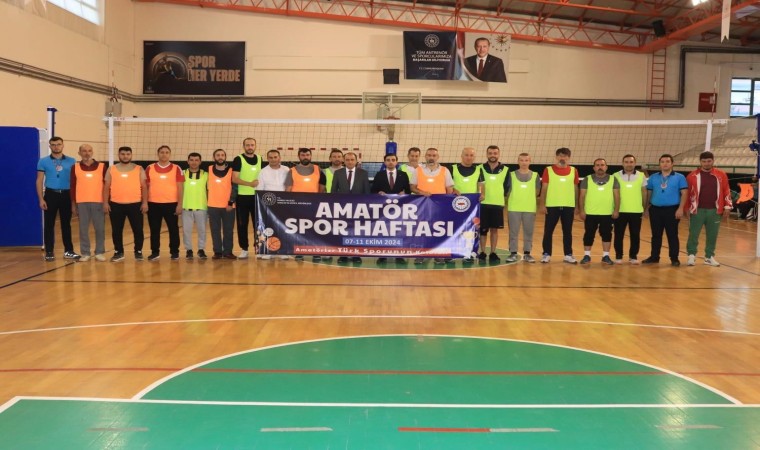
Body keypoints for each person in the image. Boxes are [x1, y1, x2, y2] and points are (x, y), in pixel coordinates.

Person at [685, 151, 732, 267]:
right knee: (693, 234)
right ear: (700, 162)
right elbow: (687, 194)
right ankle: (691, 255)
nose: (706, 163)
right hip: (697, 210)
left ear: (713, 161)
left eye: (709, 161)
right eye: (704, 161)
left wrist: (727, 206)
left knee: (712, 235)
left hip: (715, 211)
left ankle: (709, 257)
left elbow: (726, 190)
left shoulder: (721, 175)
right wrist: (686, 208)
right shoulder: (692, 176)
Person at [36, 136, 79, 261]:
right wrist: (41, 199)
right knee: (49, 224)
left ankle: (69, 251)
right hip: (51, 195)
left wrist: (74, 200)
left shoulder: (72, 161)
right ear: (50, 146)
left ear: (63, 145)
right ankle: (49, 251)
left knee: (66, 224)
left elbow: (75, 181)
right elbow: (39, 181)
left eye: (59, 144)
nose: (56, 147)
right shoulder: (43, 161)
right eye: (53, 145)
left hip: (66, 195)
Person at [103, 146, 148, 262]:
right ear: (119, 155)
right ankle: (118, 252)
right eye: (123, 154)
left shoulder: (139, 169)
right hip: (116, 204)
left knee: (138, 230)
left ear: (131, 155)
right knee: (116, 230)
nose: (125, 156)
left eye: (128, 154)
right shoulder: (111, 169)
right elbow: (106, 187)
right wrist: (105, 203)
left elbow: (144, 187)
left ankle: (138, 251)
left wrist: (145, 202)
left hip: (135, 204)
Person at [410, 147, 455, 264]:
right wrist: (421, 192)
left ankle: (438, 254)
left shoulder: (445, 170)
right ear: (425, 156)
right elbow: (412, 187)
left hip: (439, 207)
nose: (431, 157)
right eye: (429, 155)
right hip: (422, 206)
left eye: (434, 155)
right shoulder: (418, 170)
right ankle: (421, 254)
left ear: (437, 157)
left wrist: (446, 203)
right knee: (422, 230)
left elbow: (449, 189)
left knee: (438, 230)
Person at [643, 154, 688, 266]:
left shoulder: (680, 177)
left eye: (667, 161)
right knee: (656, 235)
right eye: (662, 162)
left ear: (672, 163)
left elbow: (684, 193)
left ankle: (674, 258)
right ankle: (654, 257)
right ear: (659, 164)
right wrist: (646, 208)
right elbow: (649, 193)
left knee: (672, 235)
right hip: (655, 210)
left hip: (672, 210)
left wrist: (680, 208)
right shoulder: (653, 177)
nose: (665, 164)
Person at [285, 148, 326, 261]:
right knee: (299, 229)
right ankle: (300, 251)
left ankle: (315, 251)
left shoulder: (318, 169)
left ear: (310, 156)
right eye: (303, 155)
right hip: (297, 205)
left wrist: (319, 200)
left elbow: (322, 187)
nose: (305, 157)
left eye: (307, 155)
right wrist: (287, 204)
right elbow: (288, 189)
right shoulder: (292, 170)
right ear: (299, 156)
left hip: (314, 205)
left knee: (315, 229)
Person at [539, 147, 579, 264]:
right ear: (556, 157)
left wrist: (577, 206)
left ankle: (568, 254)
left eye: (565, 156)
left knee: (567, 232)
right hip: (552, 206)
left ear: (569, 157)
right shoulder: (548, 170)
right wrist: (542, 204)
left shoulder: (574, 170)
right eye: (560, 155)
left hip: (568, 206)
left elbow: (576, 189)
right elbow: (544, 188)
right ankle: (546, 254)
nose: (562, 158)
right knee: (548, 231)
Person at [145, 145, 184, 261]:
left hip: (171, 204)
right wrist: (145, 203)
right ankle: (155, 252)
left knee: (173, 229)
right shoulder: (150, 168)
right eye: (162, 152)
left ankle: (175, 252)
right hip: (153, 204)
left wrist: (180, 204)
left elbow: (180, 188)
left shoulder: (176, 168)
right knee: (154, 229)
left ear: (170, 154)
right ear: (158, 154)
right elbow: (145, 187)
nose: (164, 154)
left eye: (167, 152)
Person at [372, 153, 411, 264]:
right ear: (384, 162)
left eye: (393, 160)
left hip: (400, 208)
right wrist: (379, 192)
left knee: (399, 231)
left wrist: (404, 192)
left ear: (396, 162)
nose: (390, 162)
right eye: (388, 160)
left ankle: (399, 255)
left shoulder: (403, 175)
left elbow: (408, 191)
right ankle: (382, 255)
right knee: (383, 231)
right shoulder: (379, 175)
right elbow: (373, 190)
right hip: (383, 208)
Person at [579, 158, 620, 265]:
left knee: (607, 235)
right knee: (589, 234)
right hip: (590, 213)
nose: (600, 167)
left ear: (606, 167)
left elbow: (617, 196)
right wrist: (582, 210)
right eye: (597, 165)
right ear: (594, 168)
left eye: (602, 165)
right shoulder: (587, 179)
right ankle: (587, 255)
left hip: (607, 213)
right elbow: (582, 196)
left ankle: (606, 256)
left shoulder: (613, 179)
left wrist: (616, 210)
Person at [331, 152, 371, 263]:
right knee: (343, 231)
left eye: (352, 159)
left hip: (359, 208)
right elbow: (333, 191)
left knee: (357, 232)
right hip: (342, 208)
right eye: (347, 159)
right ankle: (343, 255)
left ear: (356, 161)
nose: (350, 162)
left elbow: (367, 191)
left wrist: (366, 207)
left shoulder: (363, 173)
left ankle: (356, 255)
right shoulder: (338, 173)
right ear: (344, 161)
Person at [70, 144, 106, 262]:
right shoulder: (75, 167)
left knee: (100, 229)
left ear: (92, 152)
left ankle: (99, 252)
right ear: (79, 153)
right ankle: (85, 253)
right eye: (84, 151)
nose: (87, 153)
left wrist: (106, 202)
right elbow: (73, 186)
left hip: (98, 202)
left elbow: (107, 186)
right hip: (82, 203)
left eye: (89, 151)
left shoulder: (102, 166)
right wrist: (73, 204)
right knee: (83, 230)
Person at [504, 153, 541, 263]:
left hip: (529, 208)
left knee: (528, 232)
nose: (524, 162)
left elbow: (537, 191)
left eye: (526, 160)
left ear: (530, 161)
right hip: (514, 208)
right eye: (521, 160)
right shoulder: (511, 175)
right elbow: (507, 191)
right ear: (518, 161)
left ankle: (527, 253)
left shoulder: (535, 175)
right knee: (513, 232)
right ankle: (513, 253)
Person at [256, 149, 291, 260]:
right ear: (267, 159)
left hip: (283, 203)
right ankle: (268, 251)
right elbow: (260, 190)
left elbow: (289, 186)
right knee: (268, 228)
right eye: (270, 157)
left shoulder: (287, 170)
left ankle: (283, 251)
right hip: (268, 205)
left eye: (275, 157)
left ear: (279, 158)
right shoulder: (262, 172)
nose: (273, 159)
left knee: (283, 227)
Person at [613, 154, 646, 265]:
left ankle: (633, 256)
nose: (629, 164)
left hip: (636, 211)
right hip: (620, 211)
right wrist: (614, 209)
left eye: (631, 162)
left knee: (635, 235)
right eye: (626, 162)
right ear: (622, 163)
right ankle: (618, 256)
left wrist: (644, 208)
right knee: (618, 235)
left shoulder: (641, 176)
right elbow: (613, 193)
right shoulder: (615, 176)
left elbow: (644, 192)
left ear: (635, 163)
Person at [232, 137, 261, 259]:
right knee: (242, 225)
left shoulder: (260, 159)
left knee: (258, 224)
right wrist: (250, 184)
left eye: (252, 145)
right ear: (243, 146)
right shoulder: (238, 159)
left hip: (257, 197)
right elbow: (234, 179)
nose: (250, 147)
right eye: (247, 145)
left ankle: (259, 248)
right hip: (242, 197)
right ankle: (244, 249)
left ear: (255, 146)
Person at [478, 145, 508, 263]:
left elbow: (507, 187)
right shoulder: (480, 168)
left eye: (495, 153)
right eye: (490, 153)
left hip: (497, 204)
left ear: (498, 154)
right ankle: (482, 252)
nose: (492, 155)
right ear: (487, 154)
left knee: (494, 230)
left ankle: (493, 252)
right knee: (483, 230)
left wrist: (503, 199)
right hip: (483, 203)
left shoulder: (505, 169)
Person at [207, 149, 237, 260]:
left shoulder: (231, 171)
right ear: (214, 157)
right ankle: (218, 252)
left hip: (228, 206)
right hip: (213, 206)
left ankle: (228, 252)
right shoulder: (208, 170)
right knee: (215, 230)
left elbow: (235, 188)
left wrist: (231, 202)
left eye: (222, 155)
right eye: (218, 155)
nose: (220, 157)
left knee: (228, 230)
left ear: (225, 157)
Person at [182, 152, 208, 260]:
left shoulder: (206, 174)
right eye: (191, 160)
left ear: (200, 162)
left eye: (196, 160)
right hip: (186, 207)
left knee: (202, 230)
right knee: (186, 231)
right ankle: (189, 250)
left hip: (201, 208)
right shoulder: (182, 173)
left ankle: (201, 249)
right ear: (187, 161)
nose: (194, 162)